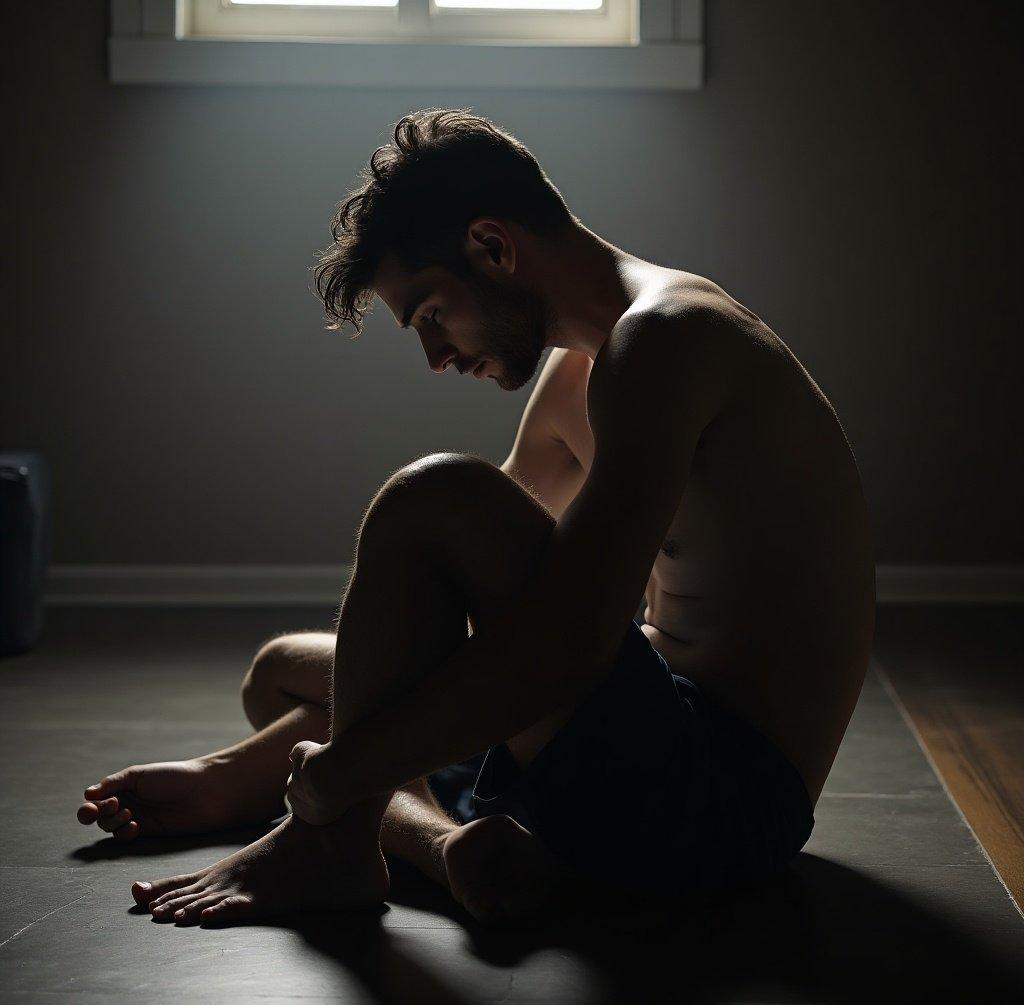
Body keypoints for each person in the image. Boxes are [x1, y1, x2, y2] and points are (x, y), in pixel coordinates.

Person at [76, 108, 875, 928]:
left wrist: (332, 777)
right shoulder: (578, 374)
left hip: (718, 803)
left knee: (432, 495)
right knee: (283, 666)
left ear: (493, 247)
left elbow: (567, 643)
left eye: (430, 315)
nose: (436, 356)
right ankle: (438, 845)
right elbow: (457, 617)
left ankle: (327, 834)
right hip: (629, 745)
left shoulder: (670, 339)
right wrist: (244, 766)